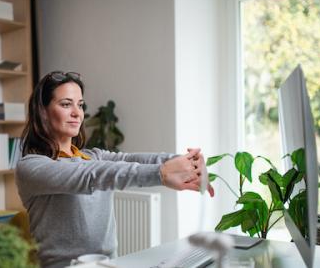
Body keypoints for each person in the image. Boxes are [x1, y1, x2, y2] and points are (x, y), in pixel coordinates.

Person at [16, 71, 214, 268]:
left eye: (80, 105)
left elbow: (130, 159)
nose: (77, 113)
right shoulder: (32, 166)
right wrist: (161, 173)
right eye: (66, 104)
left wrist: (185, 161)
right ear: (43, 111)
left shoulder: (93, 156)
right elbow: (93, 175)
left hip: (110, 264)